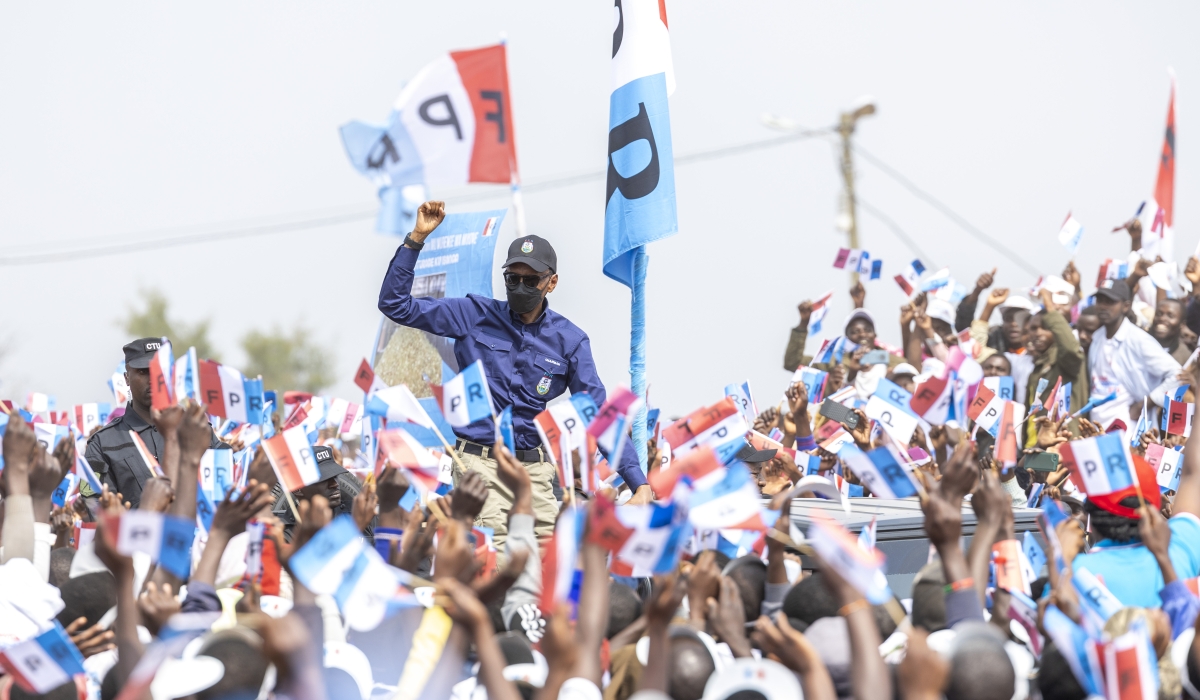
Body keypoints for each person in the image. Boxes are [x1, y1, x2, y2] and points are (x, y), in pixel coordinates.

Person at [377, 201, 652, 546]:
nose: (520, 286)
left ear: (551, 283)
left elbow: (599, 414)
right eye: (513, 278)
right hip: (478, 467)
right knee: (500, 558)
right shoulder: (473, 314)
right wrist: (416, 239)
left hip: (535, 474)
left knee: (548, 564)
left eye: (530, 280)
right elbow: (395, 305)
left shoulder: (570, 341)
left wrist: (638, 482)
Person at [82, 337, 226, 510]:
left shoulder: (195, 428)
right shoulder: (101, 443)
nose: (153, 379)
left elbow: (223, 488)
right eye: (143, 372)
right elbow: (92, 507)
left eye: (160, 372)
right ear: (127, 378)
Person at [1086, 279, 1182, 428]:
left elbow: (1178, 376)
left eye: (1110, 302)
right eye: (1100, 300)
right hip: (1096, 428)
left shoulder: (1138, 339)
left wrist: (1145, 404)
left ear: (1126, 306)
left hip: (1127, 433)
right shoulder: (1097, 337)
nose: (1103, 307)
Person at [270, 444, 373, 543]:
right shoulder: (281, 531)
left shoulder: (354, 517)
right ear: (297, 489)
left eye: (335, 475)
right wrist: (355, 529)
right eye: (324, 479)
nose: (335, 484)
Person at [1023, 289, 1088, 438]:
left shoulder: (1064, 361)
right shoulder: (1037, 368)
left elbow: (1070, 349)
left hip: (1064, 443)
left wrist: (1051, 309)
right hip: (1038, 446)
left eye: (1045, 328)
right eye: (1033, 328)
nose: (1037, 333)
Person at [1151, 297, 1193, 365]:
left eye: (1170, 316)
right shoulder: (1139, 343)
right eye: (1159, 314)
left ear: (1182, 324)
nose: (1162, 318)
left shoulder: (1185, 357)